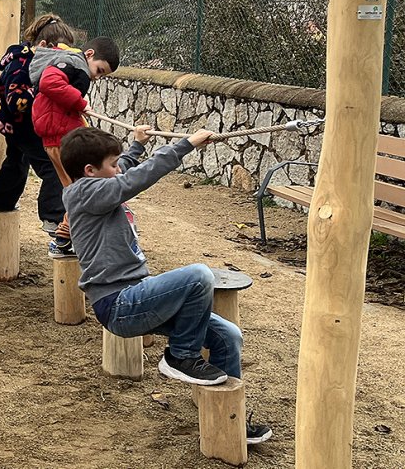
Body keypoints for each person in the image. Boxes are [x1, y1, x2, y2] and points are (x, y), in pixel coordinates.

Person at [61, 125, 273, 445]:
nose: (118, 169)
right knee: (199, 276)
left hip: (136, 295)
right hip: (119, 303)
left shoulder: (97, 185)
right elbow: (134, 178)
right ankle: (180, 356)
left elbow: (124, 172)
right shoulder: (83, 192)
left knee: (229, 335)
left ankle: (231, 421)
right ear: (90, 171)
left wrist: (135, 146)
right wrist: (186, 144)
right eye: (112, 164)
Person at [0, 14, 77, 238]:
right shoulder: (22, 64)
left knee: (17, 162)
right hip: (22, 125)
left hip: (23, 125)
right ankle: (52, 217)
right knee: (53, 166)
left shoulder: (39, 61)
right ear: (43, 45)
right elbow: (16, 102)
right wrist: (44, 94)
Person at [29, 35, 119, 258]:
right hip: (62, 140)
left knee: (77, 188)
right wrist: (79, 102)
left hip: (61, 137)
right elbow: (49, 82)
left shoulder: (74, 65)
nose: (97, 77)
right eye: (99, 70)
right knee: (81, 189)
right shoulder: (72, 63)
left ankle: (65, 238)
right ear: (89, 55)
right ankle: (65, 238)